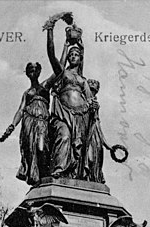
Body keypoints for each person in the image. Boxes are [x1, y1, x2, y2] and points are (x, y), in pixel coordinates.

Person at [45, 19, 99, 179]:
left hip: (81, 116)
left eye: (77, 55)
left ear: (80, 58)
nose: (74, 57)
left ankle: (75, 174)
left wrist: (94, 105)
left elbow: (90, 100)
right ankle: (59, 169)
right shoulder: (63, 73)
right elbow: (50, 54)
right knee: (64, 137)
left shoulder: (83, 80)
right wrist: (55, 36)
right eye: (71, 55)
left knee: (79, 147)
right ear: (68, 57)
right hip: (63, 113)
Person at [0, 62, 55, 186]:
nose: (33, 72)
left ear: (40, 71)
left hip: (42, 122)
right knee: (30, 150)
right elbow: (20, 110)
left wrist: (65, 48)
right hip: (29, 123)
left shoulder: (45, 86)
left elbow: (58, 69)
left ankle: (45, 175)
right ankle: (37, 181)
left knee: (42, 149)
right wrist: (12, 126)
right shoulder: (27, 93)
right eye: (30, 70)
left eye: (35, 70)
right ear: (27, 74)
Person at [86, 79, 112, 184]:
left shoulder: (96, 103)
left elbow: (97, 124)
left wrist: (107, 144)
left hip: (95, 134)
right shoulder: (82, 100)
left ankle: (93, 179)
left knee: (96, 158)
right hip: (86, 132)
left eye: (95, 85)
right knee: (90, 158)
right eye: (90, 84)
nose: (92, 86)